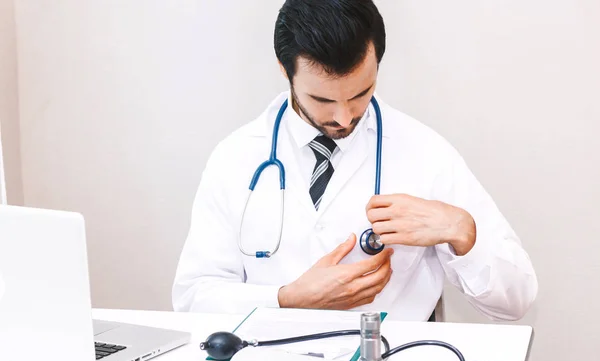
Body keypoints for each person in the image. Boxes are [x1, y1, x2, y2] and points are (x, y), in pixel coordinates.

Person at [171, 0, 537, 321]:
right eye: (323, 101)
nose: (345, 118)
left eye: (362, 93)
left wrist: (462, 230)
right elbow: (192, 301)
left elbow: (516, 300)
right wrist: (287, 299)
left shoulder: (425, 153)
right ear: (286, 72)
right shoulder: (236, 157)